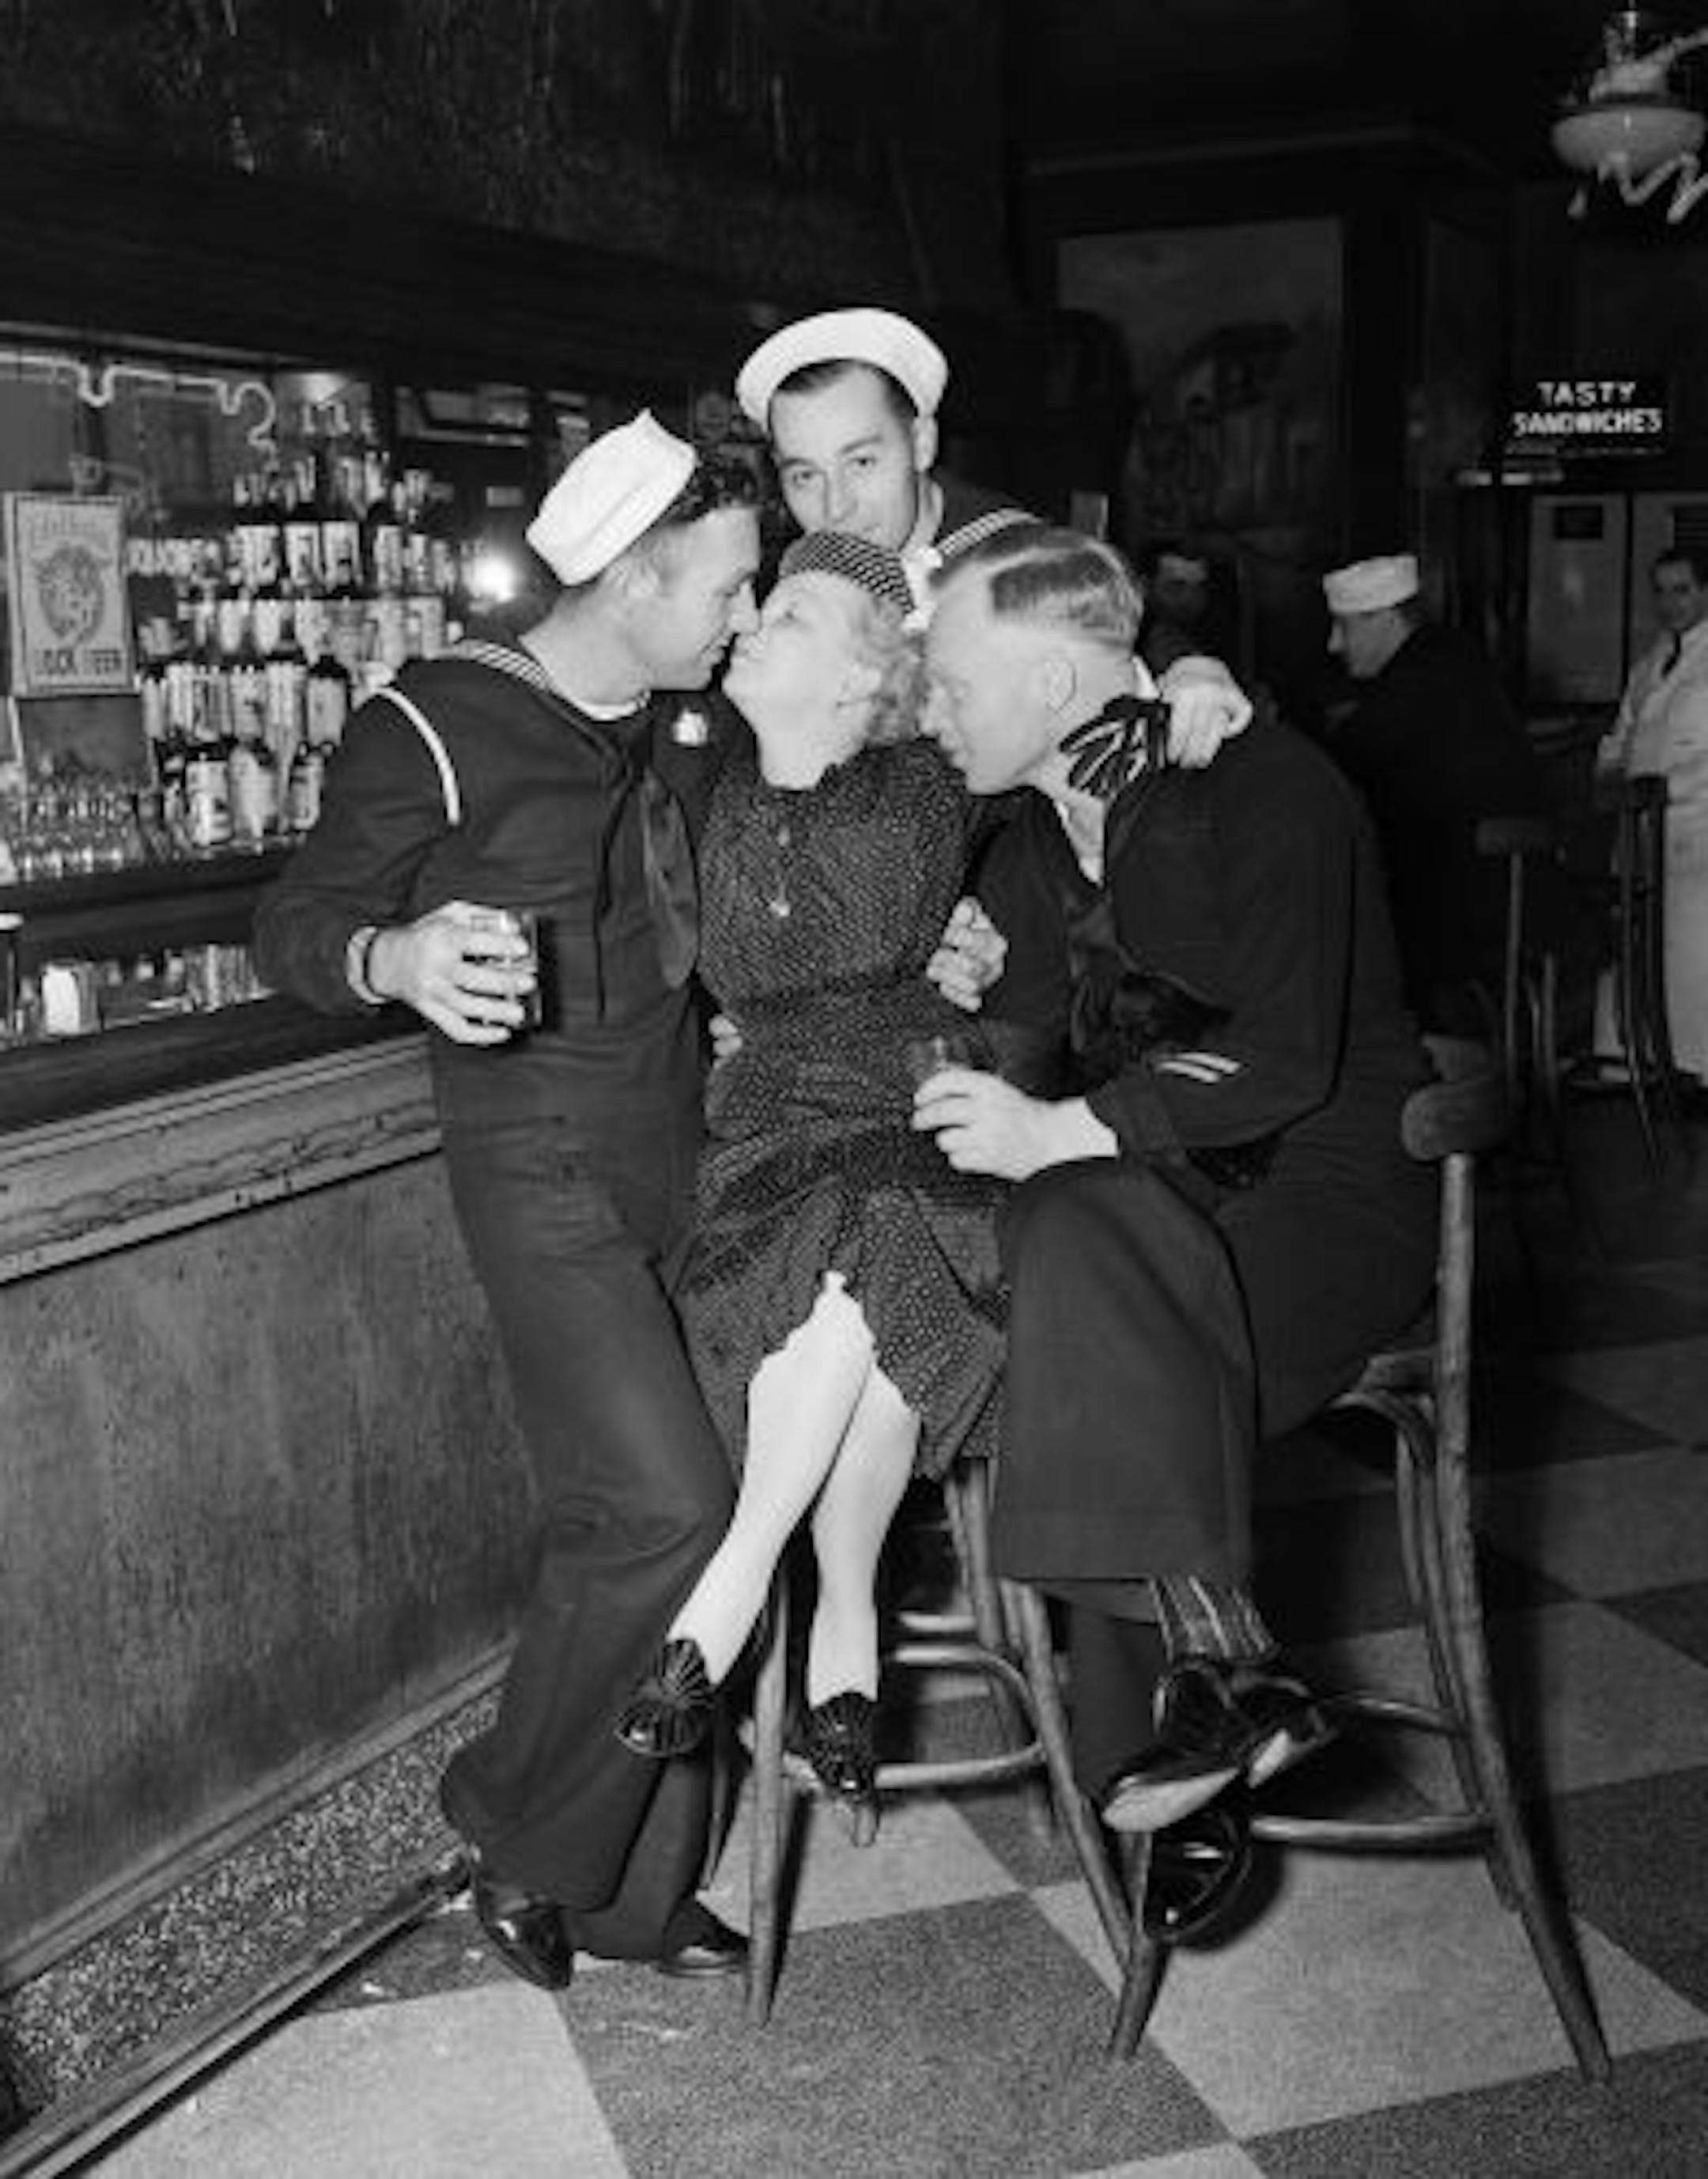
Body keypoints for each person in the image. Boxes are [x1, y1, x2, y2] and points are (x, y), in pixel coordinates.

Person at [252, 411, 764, 1994]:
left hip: (688, 1145)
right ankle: (517, 1825)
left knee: (706, 1519)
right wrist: (392, 959)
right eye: (730, 585)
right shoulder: (435, 722)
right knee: (665, 1507)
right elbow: (297, 918)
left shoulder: (688, 718)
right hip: (534, 1156)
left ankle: (629, 1890)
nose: (746, 614)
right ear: (630, 576)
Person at [914, 524, 1438, 1943]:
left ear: (1050, 674)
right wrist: (970, 1004)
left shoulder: (1268, 784)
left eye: (951, 680)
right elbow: (1034, 1062)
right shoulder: (1027, 835)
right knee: (1081, 1241)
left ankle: (1183, 1735)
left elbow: (1280, 1061)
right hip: (1149, 1209)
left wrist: (1054, 1132)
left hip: (1323, 1195)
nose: (930, 706)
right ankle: (1221, 1671)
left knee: (1087, 1290)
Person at [610, 530, 1007, 1840]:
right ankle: (846, 1610)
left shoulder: (927, 782)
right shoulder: (700, 780)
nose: (753, 625)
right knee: (856, 1245)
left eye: (788, 613)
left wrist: (1190, 687)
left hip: (905, 1099)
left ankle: (736, 1583)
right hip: (762, 1123)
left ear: (856, 679)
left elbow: (1070, 734)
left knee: (882, 1210)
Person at [1321, 551, 1548, 1034]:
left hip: (1465, 908)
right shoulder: (1447, 658)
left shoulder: (1421, 676)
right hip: (1501, 892)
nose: (1334, 644)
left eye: (1343, 627)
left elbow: (1344, 763)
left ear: (1384, 619)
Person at [733, 305, 1032, 607]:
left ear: (922, 444)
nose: (836, 508)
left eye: (861, 463)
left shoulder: (1020, 580)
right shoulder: (807, 582)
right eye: (805, 476)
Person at [1594, 544, 1708, 1084]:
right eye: (1660, 591)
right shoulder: (1648, 666)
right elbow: (1619, 740)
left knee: (1694, 961)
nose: (1669, 603)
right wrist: (1612, 774)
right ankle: (1643, 1069)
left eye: (1682, 589)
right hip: (1641, 837)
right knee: (1643, 957)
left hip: (1699, 839)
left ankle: (1698, 1073)